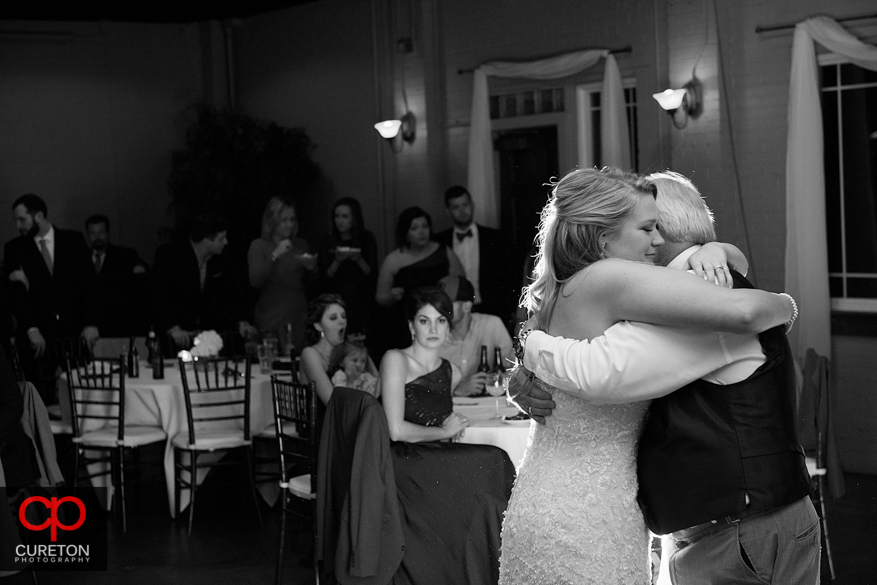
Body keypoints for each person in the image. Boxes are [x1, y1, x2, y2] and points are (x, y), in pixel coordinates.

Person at [495, 167, 801, 585]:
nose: (655, 241)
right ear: (604, 237)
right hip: (589, 516)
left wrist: (721, 251)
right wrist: (785, 304)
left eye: (658, 227)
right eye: (646, 228)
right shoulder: (610, 279)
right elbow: (596, 374)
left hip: (557, 498)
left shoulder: (565, 287)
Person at [379, 286, 515, 584]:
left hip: (433, 457)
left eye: (441, 321)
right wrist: (443, 430)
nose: (433, 328)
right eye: (424, 321)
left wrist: (450, 426)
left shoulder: (450, 370)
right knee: (491, 461)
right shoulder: (396, 360)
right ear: (411, 325)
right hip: (402, 460)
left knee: (494, 466)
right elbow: (395, 429)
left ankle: (488, 570)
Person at [3, 194, 98, 402]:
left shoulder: (72, 240)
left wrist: (91, 323)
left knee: (82, 393)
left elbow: (88, 284)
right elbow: (16, 296)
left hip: (74, 332)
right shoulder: (14, 248)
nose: (19, 226)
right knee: (40, 397)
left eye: (22, 219)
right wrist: (31, 329)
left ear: (38, 216)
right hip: (38, 335)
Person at [152, 212, 254, 354]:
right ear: (206, 241)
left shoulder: (220, 259)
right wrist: (173, 328)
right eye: (221, 238)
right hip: (173, 337)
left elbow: (230, 293)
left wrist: (241, 321)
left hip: (206, 336)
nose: (226, 242)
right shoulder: (169, 255)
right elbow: (158, 295)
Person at [375, 206, 464, 355]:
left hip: (440, 318)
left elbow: (462, 286)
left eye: (425, 226)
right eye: (414, 228)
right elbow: (380, 297)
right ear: (406, 233)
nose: (421, 232)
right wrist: (392, 296)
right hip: (406, 324)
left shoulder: (445, 253)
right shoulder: (394, 260)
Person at [434, 186, 516, 322]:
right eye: (455, 207)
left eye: (465, 205)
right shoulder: (439, 242)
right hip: (453, 311)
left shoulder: (497, 238)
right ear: (448, 212)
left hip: (491, 310)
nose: (462, 211)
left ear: (472, 205)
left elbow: (510, 277)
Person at [248, 197, 317, 355]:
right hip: (272, 319)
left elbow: (311, 285)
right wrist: (275, 255)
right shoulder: (259, 246)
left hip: (298, 317)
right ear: (272, 222)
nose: (289, 224)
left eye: (292, 219)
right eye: (284, 220)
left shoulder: (300, 245)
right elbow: (255, 280)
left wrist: (312, 269)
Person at [436, 274, 513, 397]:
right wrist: (457, 389)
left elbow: (514, 369)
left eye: (448, 303)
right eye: (438, 304)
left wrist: (498, 379)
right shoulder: (432, 333)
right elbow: (421, 385)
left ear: (466, 306)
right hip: (448, 409)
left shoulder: (491, 325)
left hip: (488, 407)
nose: (440, 309)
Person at [300, 294, 378, 406]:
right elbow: (331, 401)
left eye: (343, 316)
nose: (342, 321)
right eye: (333, 318)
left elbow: (378, 384)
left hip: (351, 413)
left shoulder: (348, 349)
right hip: (324, 419)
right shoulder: (310, 353)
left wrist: (361, 351)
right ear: (318, 325)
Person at [318, 197, 378, 338]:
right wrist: (337, 261)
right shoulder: (329, 241)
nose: (340, 221)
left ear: (354, 218)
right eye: (337, 216)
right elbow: (324, 279)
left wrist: (358, 259)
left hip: (361, 301)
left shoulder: (366, 238)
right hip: (337, 301)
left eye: (345, 216)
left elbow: (372, 274)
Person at [84, 213, 150, 337]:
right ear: (88, 235)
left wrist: (139, 267)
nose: (97, 236)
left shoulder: (123, 255)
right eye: (93, 233)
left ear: (107, 233)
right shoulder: (81, 258)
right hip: (90, 323)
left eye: (101, 232)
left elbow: (140, 264)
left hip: (117, 322)